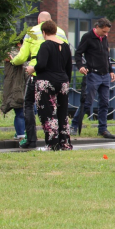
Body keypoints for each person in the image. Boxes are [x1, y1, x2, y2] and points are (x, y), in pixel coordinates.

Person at [11, 11, 69, 149]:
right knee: (61, 110)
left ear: (39, 21)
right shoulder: (61, 32)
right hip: (61, 78)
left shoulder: (32, 32)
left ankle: (31, 139)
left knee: (29, 105)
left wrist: (13, 61)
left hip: (40, 76)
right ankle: (63, 142)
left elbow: (22, 56)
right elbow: (65, 57)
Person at [26, 20, 73, 151]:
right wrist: (66, 82)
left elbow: (41, 64)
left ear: (44, 32)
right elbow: (69, 67)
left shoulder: (45, 45)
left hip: (47, 81)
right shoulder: (65, 46)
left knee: (48, 113)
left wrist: (32, 69)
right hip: (63, 82)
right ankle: (65, 142)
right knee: (62, 113)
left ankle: (53, 143)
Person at [74, 19, 115, 139]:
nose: (105, 34)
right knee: (87, 102)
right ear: (97, 27)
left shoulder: (105, 38)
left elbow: (106, 56)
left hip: (105, 75)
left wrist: (110, 71)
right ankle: (74, 125)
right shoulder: (87, 37)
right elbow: (78, 53)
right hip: (93, 74)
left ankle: (102, 129)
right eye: (103, 31)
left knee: (105, 102)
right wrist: (80, 66)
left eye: (107, 32)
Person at [2, 41, 26, 142]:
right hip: (16, 87)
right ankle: (21, 135)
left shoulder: (25, 53)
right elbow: (18, 60)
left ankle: (21, 132)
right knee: (20, 110)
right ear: (19, 44)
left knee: (27, 111)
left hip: (24, 86)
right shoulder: (13, 53)